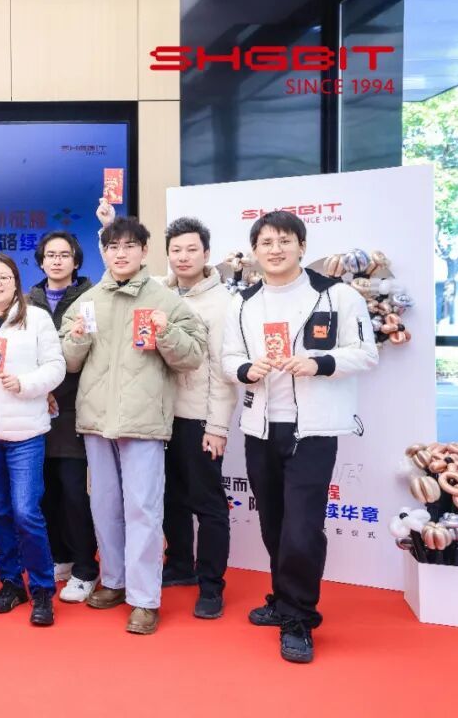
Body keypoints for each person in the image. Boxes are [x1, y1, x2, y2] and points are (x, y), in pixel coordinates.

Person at [221, 210, 377, 663]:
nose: (275, 249)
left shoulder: (337, 295)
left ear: (302, 246)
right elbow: (228, 358)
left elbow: (365, 354)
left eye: (284, 241)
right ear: (255, 251)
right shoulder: (243, 302)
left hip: (313, 429)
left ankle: (298, 618)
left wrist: (319, 363)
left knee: (303, 529)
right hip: (261, 427)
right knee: (273, 523)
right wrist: (246, 369)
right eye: (266, 243)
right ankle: (284, 598)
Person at [60, 215, 205, 636]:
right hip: (96, 420)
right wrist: (78, 337)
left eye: (129, 246)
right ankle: (114, 580)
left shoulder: (166, 300)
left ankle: (144, 599)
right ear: (103, 252)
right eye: (113, 246)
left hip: (143, 422)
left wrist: (165, 333)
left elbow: (193, 356)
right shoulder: (87, 302)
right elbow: (67, 361)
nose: (120, 254)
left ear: (144, 251)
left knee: (143, 509)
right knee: (104, 506)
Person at [0, 254, 66, 626]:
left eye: (4, 277)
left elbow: (56, 367)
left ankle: (42, 588)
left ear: (16, 281)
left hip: (26, 432)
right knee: (0, 510)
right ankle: (11, 582)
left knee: (26, 511)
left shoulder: (36, 318)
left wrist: (25, 384)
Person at [154, 217, 239, 619]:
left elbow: (224, 371)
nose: (183, 257)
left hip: (199, 419)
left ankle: (211, 585)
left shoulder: (222, 303)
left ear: (207, 254)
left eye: (191, 249)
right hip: (159, 416)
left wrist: (217, 427)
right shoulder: (159, 291)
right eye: (176, 250)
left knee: (207, 503)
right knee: (169, 497)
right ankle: (179, 565)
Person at [26, 231, 99, 603]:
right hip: (36, 408)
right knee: (46, 491)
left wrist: (55, 390)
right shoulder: (27, 302)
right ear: (41, 261)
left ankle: (86, 567)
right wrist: (41, 389)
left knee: (73, 491)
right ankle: (61, 557)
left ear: (76, 260)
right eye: (50, 255)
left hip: (74, 408)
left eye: (64, 254)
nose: (56, 261)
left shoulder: (91, 299)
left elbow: (93, 355)